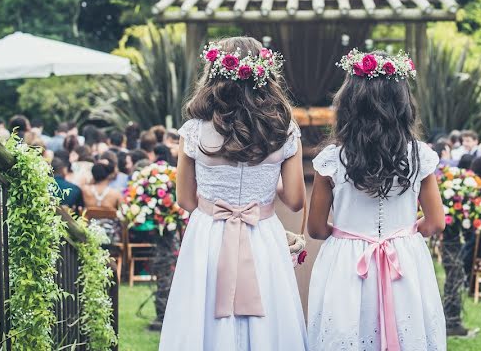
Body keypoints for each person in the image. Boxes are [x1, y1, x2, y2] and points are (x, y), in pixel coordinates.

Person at [161, 37, 307, 351]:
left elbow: (186, 200)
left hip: (209, 235)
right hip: (262, 234)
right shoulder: (283, 130)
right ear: (263, 75)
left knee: (205, 317)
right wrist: (268, 183)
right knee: (268, 318)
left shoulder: (194, 131)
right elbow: (295, 199)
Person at [308, 49, 447, 350]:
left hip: (347, 263)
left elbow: (316, 228)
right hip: (405, 259)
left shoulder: (332, 159)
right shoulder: (418, 156)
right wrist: (404, 234)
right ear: (402, 103)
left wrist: (347, 234)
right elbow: (436, 222)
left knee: (347, 333)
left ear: (348, 103)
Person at [82, 162, 123, 243]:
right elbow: (123, 213)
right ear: (108, 175)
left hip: (89, 233)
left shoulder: (85, 190)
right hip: (110, 234)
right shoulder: (115, 194)